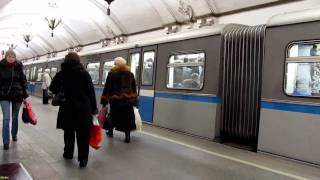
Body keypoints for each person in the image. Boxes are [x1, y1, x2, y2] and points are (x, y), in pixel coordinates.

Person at [49, 52, 98, 168]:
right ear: (78, 61)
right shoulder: (84, 74)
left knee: (68, 132)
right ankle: (83, 158)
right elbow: (91, 93)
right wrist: (94, 109)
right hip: (83, 109)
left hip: (67, 108)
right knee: (83, 135)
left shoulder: (61, 74)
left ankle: (68, 153)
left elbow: (52, 88)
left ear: (65, 61)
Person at [100, 57, 138, 143]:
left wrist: (104, 102)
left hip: (115, 101)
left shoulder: (112, 74)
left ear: (116, 64)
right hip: (127, 101)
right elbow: (134, 89)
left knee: (113, 116)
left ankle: (110, 132)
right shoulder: (130, 74)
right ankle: (127, 137)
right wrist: (134, 100)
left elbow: (107, 89)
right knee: (127, 119)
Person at [0, 49, 28, 150]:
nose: (11, 58)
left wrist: (25, 93)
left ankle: (14, 134)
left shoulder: (19, 66)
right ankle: (6, 141)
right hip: (4, 96)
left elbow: (23, 80)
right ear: (6, 57)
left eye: (13, 57)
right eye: (9, 56)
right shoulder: (1, 66)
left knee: (15, 117)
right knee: (6, 118)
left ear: (15, 58)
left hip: (17, 95)